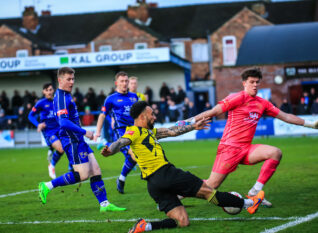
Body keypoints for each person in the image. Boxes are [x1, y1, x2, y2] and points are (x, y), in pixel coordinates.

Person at [101, 101, 265, 233]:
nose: (154, 117)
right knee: (208, 192)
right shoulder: (133, 131)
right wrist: (111, 150)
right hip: (166, 174)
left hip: (154, 185)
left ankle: (146, 226)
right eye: (152, 114)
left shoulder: (151, 132)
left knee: (182, 221)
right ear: (143, 116)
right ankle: (249, 203)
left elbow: (172, 131)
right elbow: (121, 142)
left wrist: (193, 126)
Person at [177, 67, 318, 207]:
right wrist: (187, 122)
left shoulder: (263, 103)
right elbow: (213, 111)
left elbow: (286, 116)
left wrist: (311, 124)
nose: (255, 85)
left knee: (275, 153)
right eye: (252, 82)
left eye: (257, 82)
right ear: (244, 83)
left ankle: (254, 192)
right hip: (229, 149)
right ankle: (178, 193)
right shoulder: (236, 98)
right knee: (211, 185)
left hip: (246, 149)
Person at [38, 67, 125, 213]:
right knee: (82, 175)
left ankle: (104, 204)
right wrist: (86, 132)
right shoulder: (60, 98)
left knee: (96, 170)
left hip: (78, 139)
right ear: (60, 80)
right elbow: (63, 122)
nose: (72, 82)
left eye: (73, 79)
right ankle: (47, 185)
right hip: (71, 141)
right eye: (68, 79)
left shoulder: (66, 95)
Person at [94, 71, 138, 194]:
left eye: (126, 81)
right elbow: (102, 115)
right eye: (122, 81)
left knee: (132, 157)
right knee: (135, 155)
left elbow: (138, 115)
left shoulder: (134, 97)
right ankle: (153, 179)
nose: (124, 83)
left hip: (134, 131)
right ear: (116, 83)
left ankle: (121, 179)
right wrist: (97, 132)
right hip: (121, 133)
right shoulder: (110, 99)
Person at [28, 83, 66, 179]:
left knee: (65, 148)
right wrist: (38, 124)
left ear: (53, 91)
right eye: (47, 90)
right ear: (43, 92)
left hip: (59, 129)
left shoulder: (57, 102)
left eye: (50, 90)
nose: (49, 92)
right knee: (60, 149)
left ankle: (52, 155)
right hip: (49, 131)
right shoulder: (41, 103)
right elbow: (30, 115)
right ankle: (52, 165)